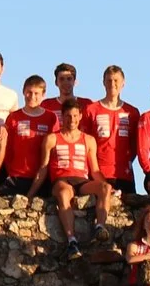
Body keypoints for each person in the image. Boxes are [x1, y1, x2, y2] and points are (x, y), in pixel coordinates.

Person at [45, 98, 108, 248]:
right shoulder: (52, 138)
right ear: (62, 116)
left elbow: (95, 169)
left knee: (105, 188)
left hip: (81, 180)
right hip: (62, 180)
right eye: (67, 116)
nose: (71, 120)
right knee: (64, 193)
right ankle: (71, 239)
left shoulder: (89, 140)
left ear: (80, 116)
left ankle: (100, 226)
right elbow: (43, 167)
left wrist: (107, 185)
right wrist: (31, 193)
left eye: (74, 116)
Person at [0, 74, 61, 197]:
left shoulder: (51, 118)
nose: (32, 96)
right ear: (23, 92)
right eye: (29, 92)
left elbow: (55, 147)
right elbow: (7, 148)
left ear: (43, 95)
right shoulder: (14, 117)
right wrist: (11, 171)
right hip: (17, 176)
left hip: (41, 179)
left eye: (36, 93)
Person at [85, 67, 138, 223]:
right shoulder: (91, 109)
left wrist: (127, 160)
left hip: (124, 174)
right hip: (99, 173)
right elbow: (86, 140)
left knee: (128, 219)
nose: (112, 84)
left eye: (116, 80)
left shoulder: (132, 112)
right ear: (103, 82)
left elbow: (136, 144)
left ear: (123, 83)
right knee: (93, 217)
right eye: (109, 80)